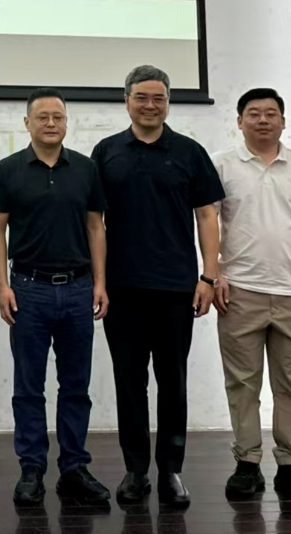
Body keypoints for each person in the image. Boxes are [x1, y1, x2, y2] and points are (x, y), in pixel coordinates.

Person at [92, 65, 223, 508]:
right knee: (129, 383)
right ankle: (135, 471)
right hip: (122, 289)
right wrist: (99, 282)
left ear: (168, 103)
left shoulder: (189, 152)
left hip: (175, 288)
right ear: (126, 100)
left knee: (173, 382)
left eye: (159, 98)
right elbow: (94, 223)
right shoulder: (106, 152)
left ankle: (171, 471)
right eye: (141, 97)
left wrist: (209, 275)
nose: (150, 105)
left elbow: (207, 215)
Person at [0, 88, 112, 506]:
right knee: (28, 387)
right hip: (28, 290)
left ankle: (74, 467)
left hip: (78, 289)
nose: (51, 123)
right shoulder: (8, 170)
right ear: (27, 123)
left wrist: (100, 283)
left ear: (66, 122)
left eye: (58, 117)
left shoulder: (86, 169)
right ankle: (31, 468)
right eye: (42, 117)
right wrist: (2, 285)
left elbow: (95, 227)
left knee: (76, 386)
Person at [212, 88, 291, 507]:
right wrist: (213, 273)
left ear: (283, 121)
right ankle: (247, 462)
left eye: (270, 113)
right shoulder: (222, 165)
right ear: (239, 121)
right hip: (239, 291)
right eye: (254, 113)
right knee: (243, 384)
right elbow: (207, 222)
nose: (262, 120)